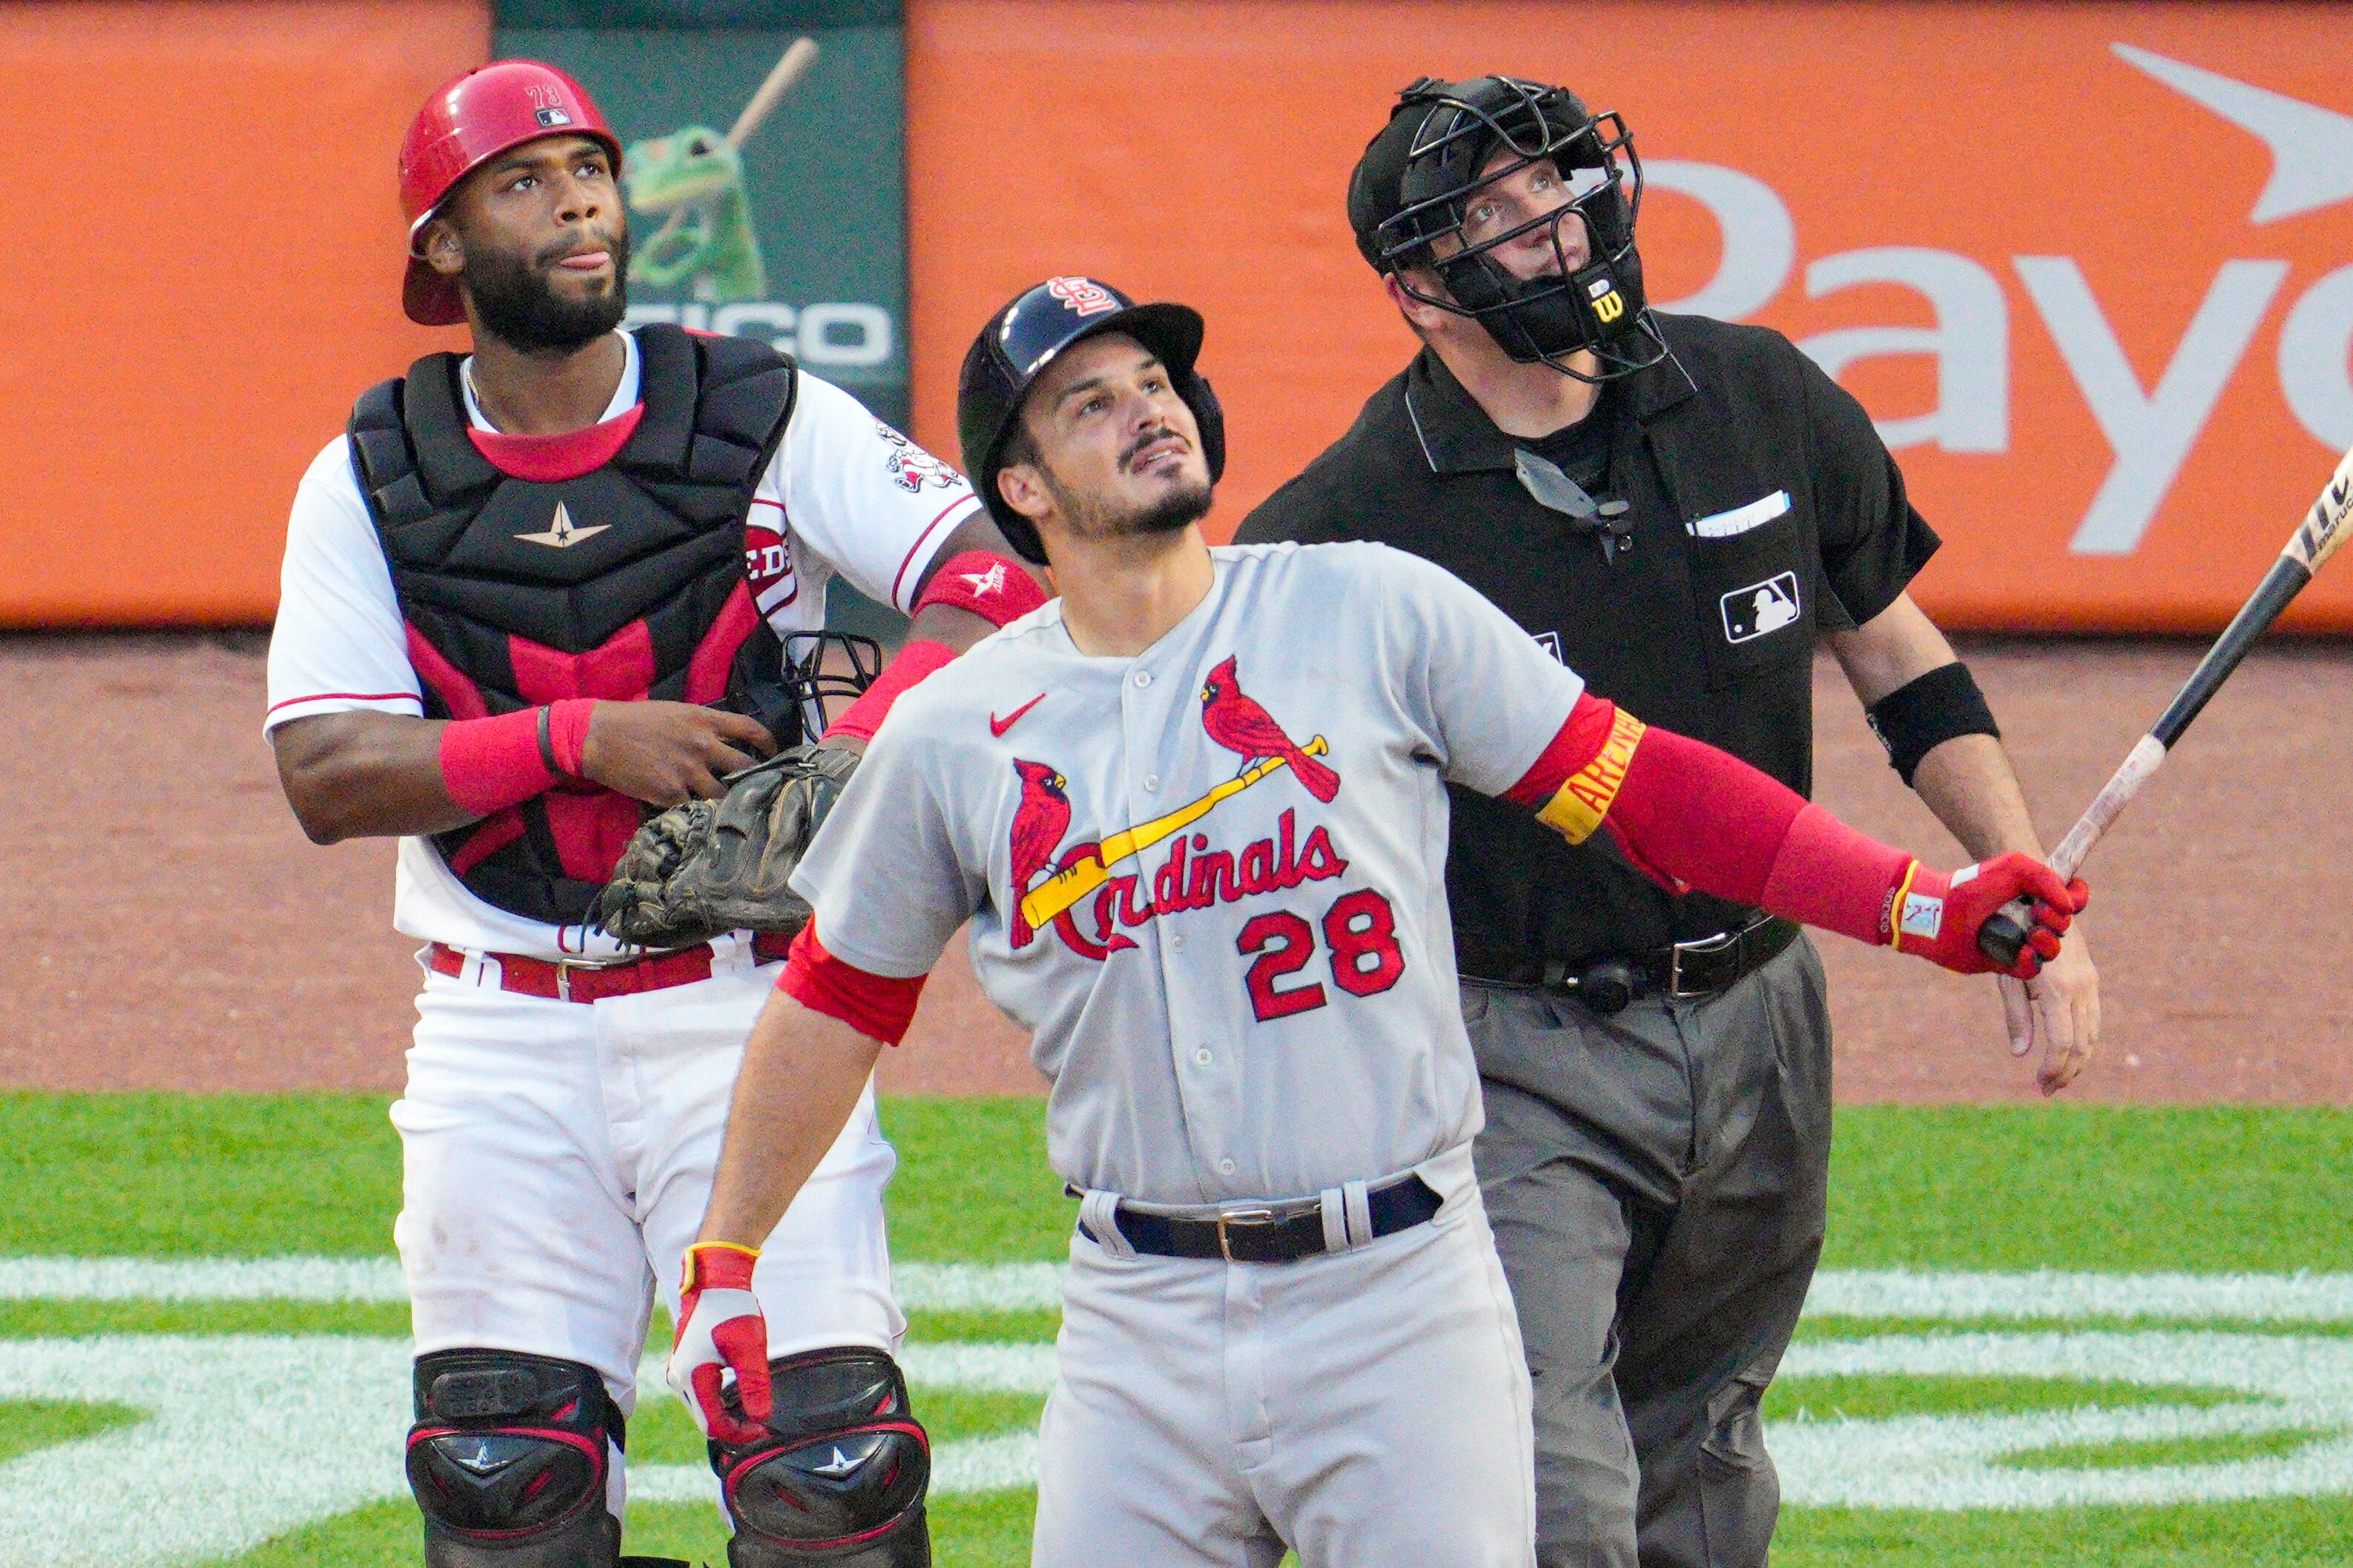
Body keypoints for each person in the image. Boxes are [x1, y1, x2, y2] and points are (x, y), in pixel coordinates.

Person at [661, 277, 2085, 1568]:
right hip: (1136, 1327)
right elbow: (836, 999)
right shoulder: (959, 729)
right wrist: (727, 1256)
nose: (1146, 410)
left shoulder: (1366, 611)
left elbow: (1647, 790)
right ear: (1020, 487)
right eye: (1088, 403)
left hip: (1399, 1305)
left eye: (1154, 381)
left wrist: (1920, 905)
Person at [1233, 73, 2105, 1568]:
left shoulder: (1758, 393)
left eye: (1556, 183)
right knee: (1543, 1476)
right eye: (1495, 212)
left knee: (1703, 1452)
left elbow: (1893, 650)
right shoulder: (1345, 526)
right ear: (1415, 286)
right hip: (1510, 1048)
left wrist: (2015, 879)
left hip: (1765, 1013)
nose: (1555, 222)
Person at [264, 61, 1045, 1568]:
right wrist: (578, 738)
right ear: (443, 244)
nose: (575, 206)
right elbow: (327, 772)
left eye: (591, 173)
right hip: (498, 1030)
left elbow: (992, 588)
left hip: (754, 1010)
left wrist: (855, 753)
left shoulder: (760, 411)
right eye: (524, 182)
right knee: (507, 1492)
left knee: (829, 1487)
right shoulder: (369, 470)